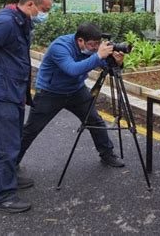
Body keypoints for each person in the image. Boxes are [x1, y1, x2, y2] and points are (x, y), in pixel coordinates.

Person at [17, 23, 126, 171]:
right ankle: (10, 166)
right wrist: (99, 55)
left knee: (95, 120)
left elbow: (107, 68)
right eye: (92, 44)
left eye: (97, 44)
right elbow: (72, 69)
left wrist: (118, 63)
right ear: (80, 41)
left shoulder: (92, 47)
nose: (95, 48)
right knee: (31, 130)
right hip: (50, 92)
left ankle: (107, 154)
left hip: (76, 90)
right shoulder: (60, 47)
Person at [0, 0, 53, 213]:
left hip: (15, 92)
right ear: (31, 5)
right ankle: (2, 196)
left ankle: (7, 180)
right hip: (3, 94)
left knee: (13, 140)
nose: (44, 14)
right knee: (5, 146)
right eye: (43, 9)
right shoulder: (6, 22)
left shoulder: (21, 22)